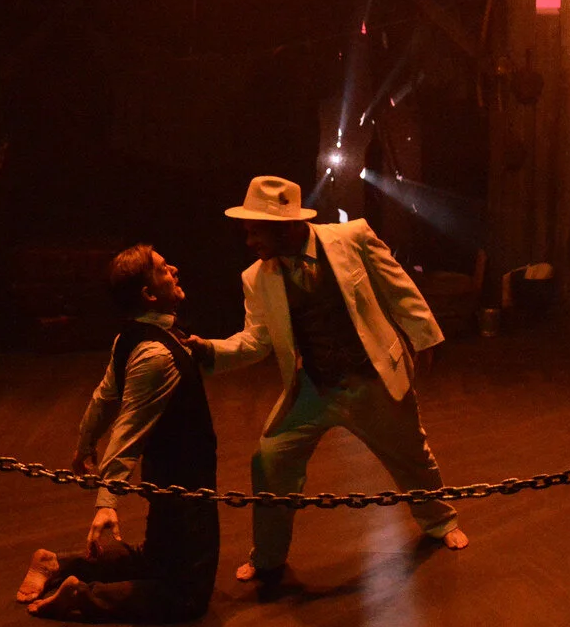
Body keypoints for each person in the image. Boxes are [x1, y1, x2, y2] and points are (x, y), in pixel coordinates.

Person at [195, 175, 468, 590]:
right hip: (314, 386)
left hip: (371, 377)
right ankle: (267, 557)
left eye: (256, 232)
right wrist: (210, 350)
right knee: (270, 460)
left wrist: (425, 336)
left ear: (286, 226)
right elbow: (258, 340)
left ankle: (440, 521)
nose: (249, 242)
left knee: (411, 455)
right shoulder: (257, 277)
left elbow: (398, 287)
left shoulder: (351, 238)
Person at [17, 244, 222, 622]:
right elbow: (128, 428)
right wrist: (107, 500)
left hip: (167, 472)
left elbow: (103, 398)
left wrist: (84, 445)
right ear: (148, 294)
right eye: (164, 269)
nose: (175, 270)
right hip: (185, 478)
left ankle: (58, 564)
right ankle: (82, 596)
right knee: (188, 597)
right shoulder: (156, 355)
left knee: (158, 558)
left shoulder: (131, 336)